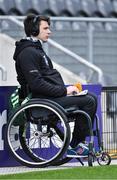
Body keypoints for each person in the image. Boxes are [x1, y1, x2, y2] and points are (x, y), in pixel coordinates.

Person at [13, 14, 97, 157]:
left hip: (51, 97)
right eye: (45, 28)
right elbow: (37, 85)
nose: (49, 31)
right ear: (34, 30)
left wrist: (67, 92)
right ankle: (76, 145)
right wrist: (64, 91)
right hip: (42, 101)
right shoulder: (27, 53)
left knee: (92, 97)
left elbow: (46, 80)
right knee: (89, 100)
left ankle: (77, 144)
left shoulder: (37, 50)